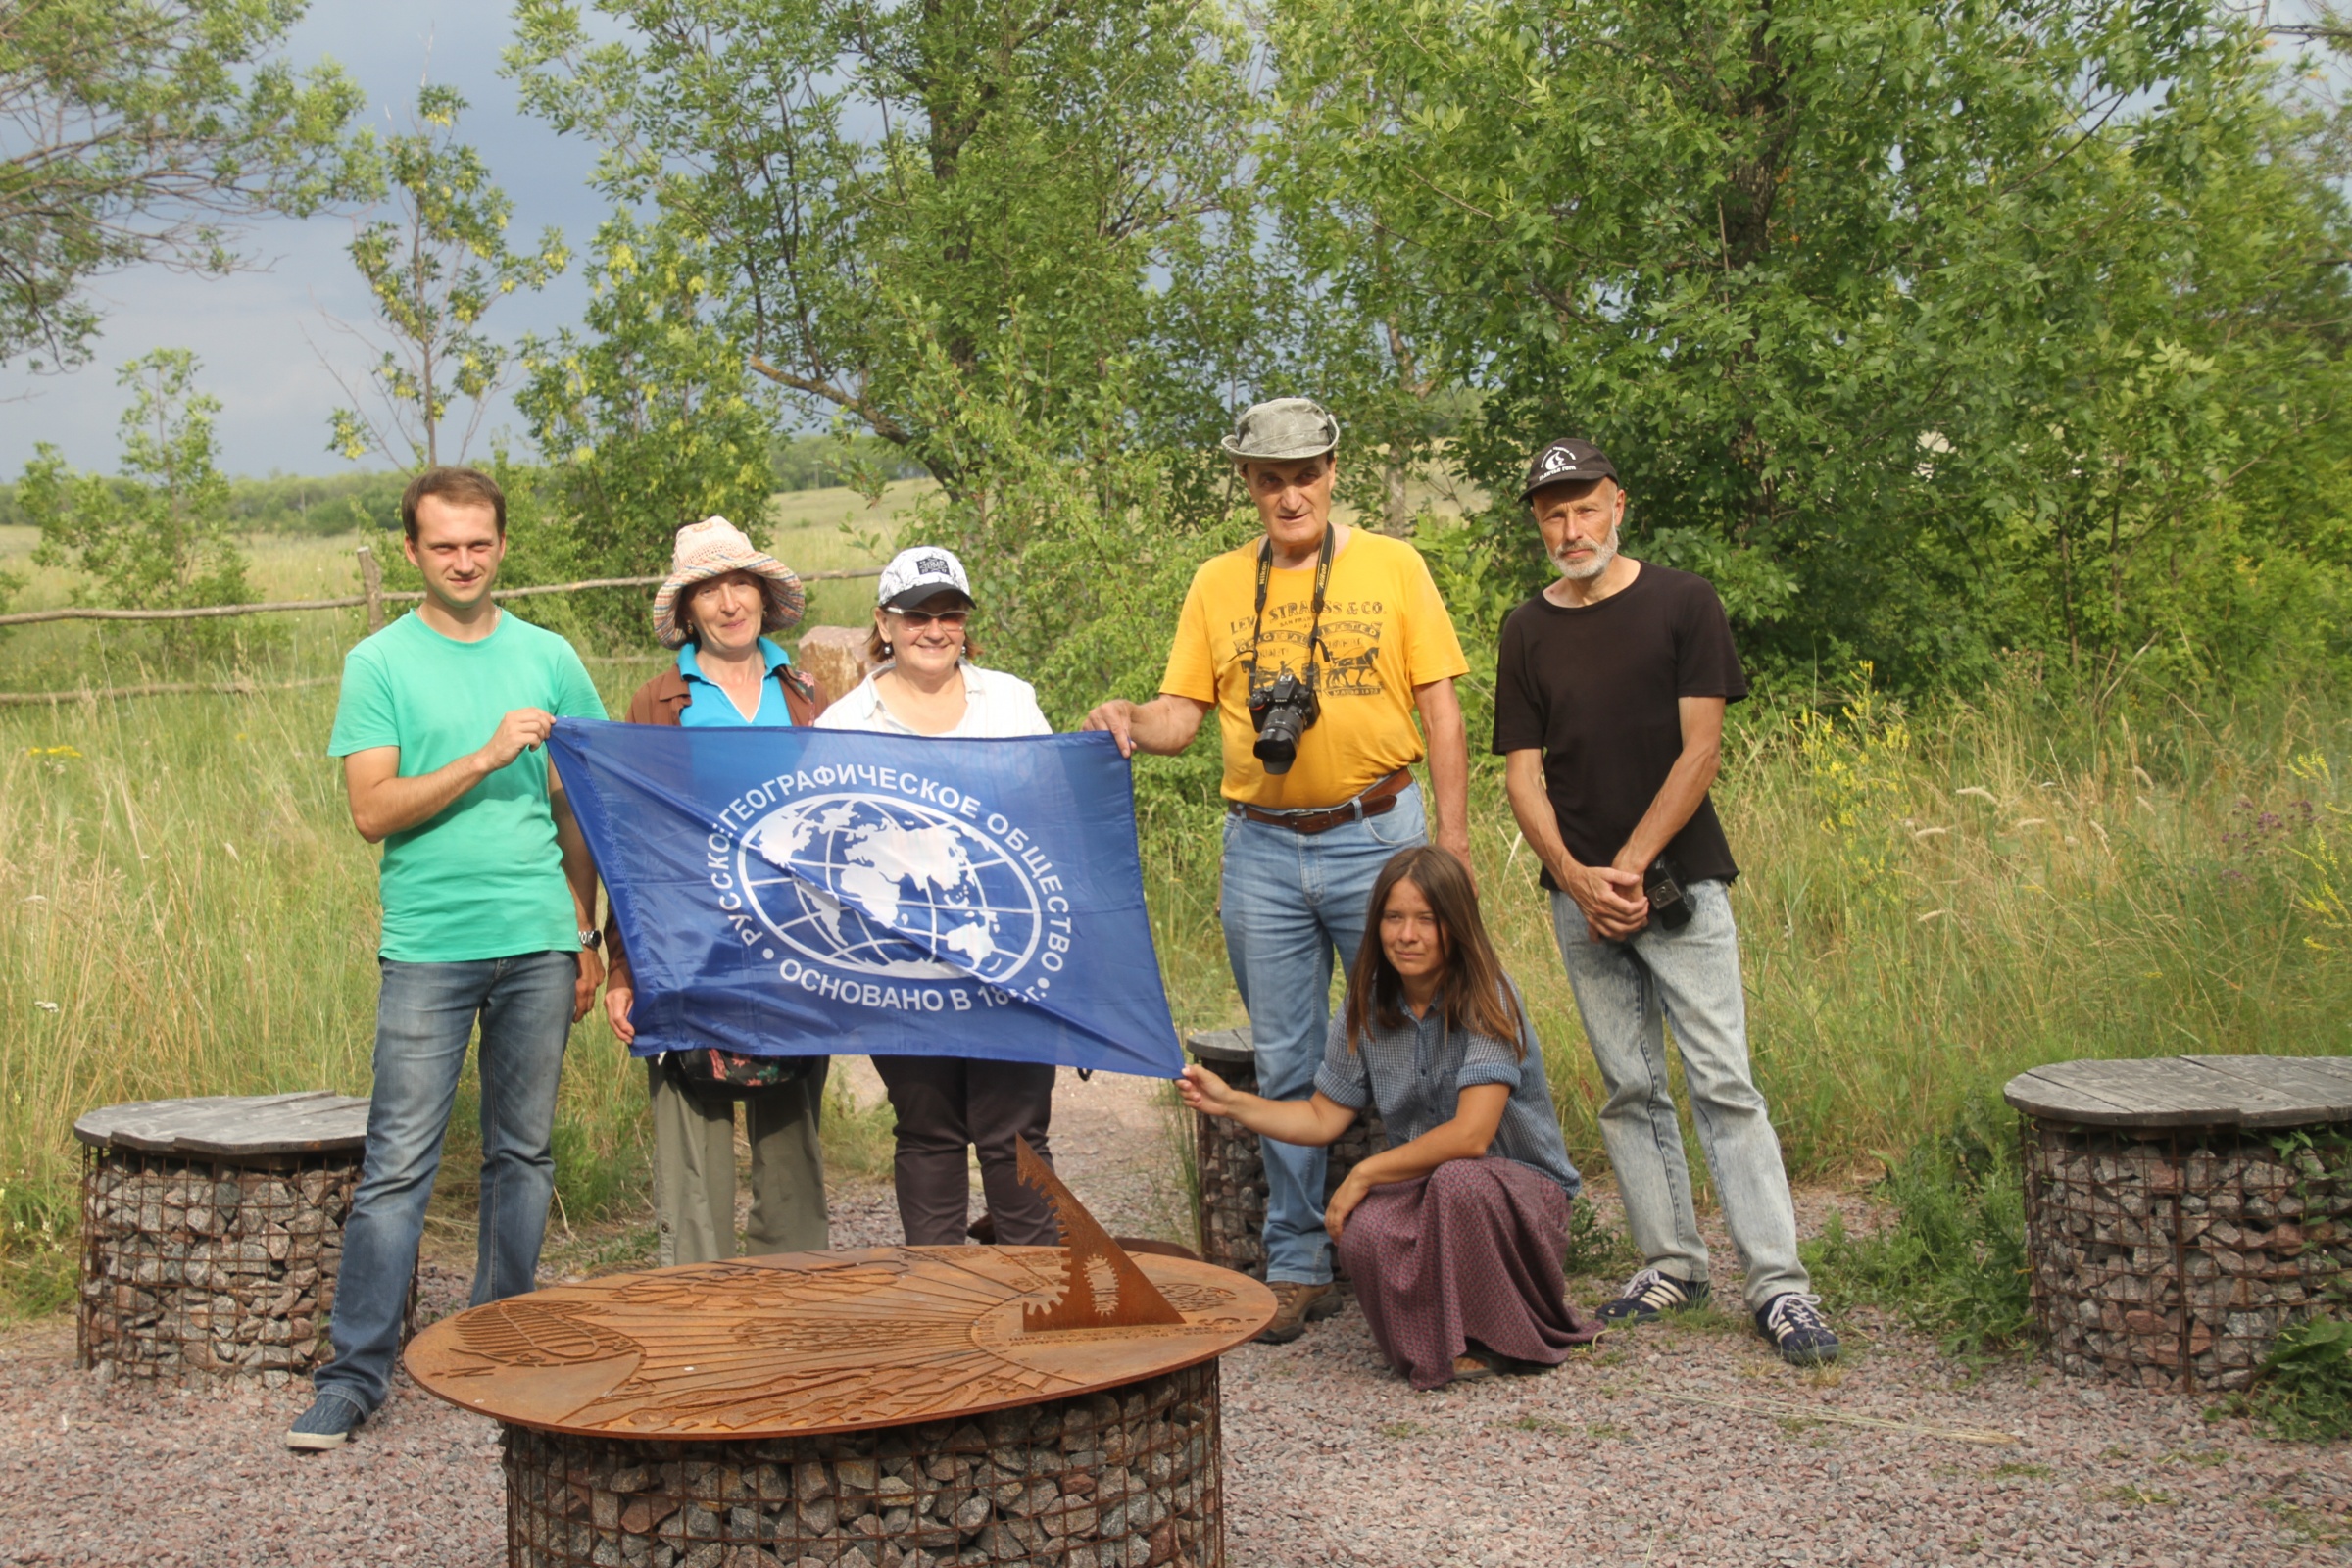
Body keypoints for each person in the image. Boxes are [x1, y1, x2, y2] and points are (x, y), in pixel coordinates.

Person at [1084, 397, 1472, 1344]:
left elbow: (1443, 709)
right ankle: (1297, 1261)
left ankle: (1440, 1243)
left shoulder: (1393, 565)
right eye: (1269, 478)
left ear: (1333, 470)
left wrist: (1450, 852)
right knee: (1288, 1054)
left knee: (1417, 1037)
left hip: (1379, 832)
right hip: (1260, 843)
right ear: (1248, 484)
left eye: (1305, 473)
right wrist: (1129, 717)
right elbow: (1182, 714)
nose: (1289, 493)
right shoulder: (1218, 584)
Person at [1494, 436, 1838, 1366]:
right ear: (1539, 524)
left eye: (1586, 507)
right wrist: (1574, 876)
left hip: (1681, 888)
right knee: (1629, 1085)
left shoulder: (1684, 602)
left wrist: (1634, 867)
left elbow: (1701, 752)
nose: (1572, 528)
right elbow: (1523, 777)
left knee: (1723, 1081)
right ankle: (1671, 1262)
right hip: (1581, 899)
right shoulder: (1525, 629)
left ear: (1620, 505)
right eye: (1554, 514)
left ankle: (1778, 1285)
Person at [289, 466, 607, 1449]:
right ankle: (356, 1373)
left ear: (502, 545)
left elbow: (581, 804)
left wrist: (585, 928)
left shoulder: (551, 655)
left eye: (479, 543)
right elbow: (370, 811)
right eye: (443, 546)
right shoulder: (378, 662)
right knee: (397, 1165)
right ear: (412, 553)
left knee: (523, 1153)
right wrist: (481, 753)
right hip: (429, 945)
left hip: (541, 941)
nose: (463, 561)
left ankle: (498, 1340)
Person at [1178, 846, 1601, 1388]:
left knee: (1458, 1182)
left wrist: (1364, 1172)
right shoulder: (1366, 1003)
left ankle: (1499, 1338)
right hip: (1430, 1193)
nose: (1408, 934)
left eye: (1427, 920)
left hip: (1523, 1199)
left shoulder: (1490, 995)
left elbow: (1472, 1136)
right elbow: (1321, 1118)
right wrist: (1229, 1102)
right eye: (1394, 918)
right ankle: (1439, 1345)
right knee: (1364, 1228)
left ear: (1456, 926)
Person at [602, 516, 833, 1267]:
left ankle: (792, 1313)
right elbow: (628, 844)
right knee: (691, 1146)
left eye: (741, 585)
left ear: (764, 597)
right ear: (688, 610)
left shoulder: (810, 697)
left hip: (795, 945)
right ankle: (699, 1325)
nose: (730, 604)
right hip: (687, 948)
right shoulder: (656, 704)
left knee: (790, 1134)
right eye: (711, 590)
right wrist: (622, 965)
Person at [814, 545, 1060, 1245]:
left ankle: (1036, 1290)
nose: (934, 628)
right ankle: (941, 1301)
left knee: (1015, 1131)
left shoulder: (1010, 700)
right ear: (883, 624)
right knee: (927, 1129)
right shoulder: (844, 722)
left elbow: (1050, 807)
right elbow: (822, 844)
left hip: (1005, 949)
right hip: (899, 960)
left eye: (948, 613)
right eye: (916, 614)